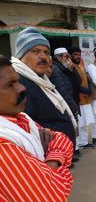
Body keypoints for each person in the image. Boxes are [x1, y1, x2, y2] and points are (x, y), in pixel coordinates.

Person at [0, 55, 73, 201]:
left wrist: (45, 168)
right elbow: (52, 195)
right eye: (10, 85)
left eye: (18, 81)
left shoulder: (21, 119)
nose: (22, 88)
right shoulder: (3, 145)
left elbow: (63, 140)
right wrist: (53, 164)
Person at [11, 27, 78, 161]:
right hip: (44, 162)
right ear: (21, 55)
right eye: (35, 51)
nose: (43, 57)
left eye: (46, 52)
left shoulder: (41, 80)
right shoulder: (18, 83)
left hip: (56, 158)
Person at [50, 47, 82, 156]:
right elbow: (62, 90)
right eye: (66, 56)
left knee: (73, 128)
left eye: (69, 56)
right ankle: (67, 155)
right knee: (67, 130)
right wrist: (73, 107)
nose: (69, 59)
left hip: (70, 102)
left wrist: (73, 70)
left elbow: (78, 82)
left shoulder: (65, 68)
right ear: (58, 58)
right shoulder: (55, 69)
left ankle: (72, 151)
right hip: (64, 105)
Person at [69, 47, 95, 148]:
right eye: (75, 54)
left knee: (85, 123)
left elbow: (88, 81)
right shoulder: (71, 68)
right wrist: (86, 91)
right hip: (78, 101)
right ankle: (77, 145)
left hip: (86, 100)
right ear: (71, 56)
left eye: (79, 54)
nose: (78, 56)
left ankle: (84, 142)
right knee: (79, 124)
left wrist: (89, 89)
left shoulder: (82, 67)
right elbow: (75, 84)